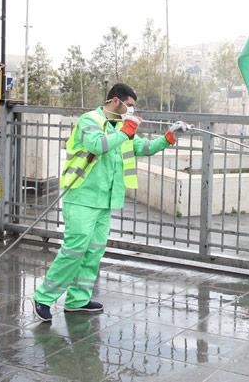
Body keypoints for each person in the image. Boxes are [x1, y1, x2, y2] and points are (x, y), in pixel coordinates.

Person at [32, 83, 189, 322]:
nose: (131, 110)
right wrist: (125, 131)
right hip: (82, 197)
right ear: (116, 101)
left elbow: (144, 148)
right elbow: (97, 145)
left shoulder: (119, 128)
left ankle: (77, 300)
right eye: (129, 105)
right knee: (74, 250)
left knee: (93, 252)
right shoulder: (90, 121)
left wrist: (169, 136)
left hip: (104, 201)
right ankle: (43, 297)